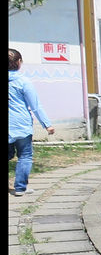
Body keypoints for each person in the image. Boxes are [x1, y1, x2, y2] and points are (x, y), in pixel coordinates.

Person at [9, 48, 55, 196]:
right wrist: (47, 124)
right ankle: (20, 188)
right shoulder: (23, 82)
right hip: (21, 125)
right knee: (25, 156)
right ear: (19, 62)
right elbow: (35, 106)